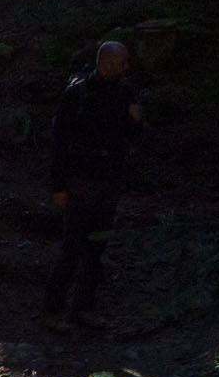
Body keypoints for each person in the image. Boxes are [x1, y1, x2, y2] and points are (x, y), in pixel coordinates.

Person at [44, 40, 145, 329]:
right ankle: (52, 311)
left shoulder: (126, 93)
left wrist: (136, 122)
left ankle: (83, 308)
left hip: (108, 179)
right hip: (80, 178)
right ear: (108, 63)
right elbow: (59, 141)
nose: (126, 68)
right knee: (73, 244)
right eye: (121, 62)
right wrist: (58, 185)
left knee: (96, 246)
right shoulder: (78, 94)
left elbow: (131, 136)